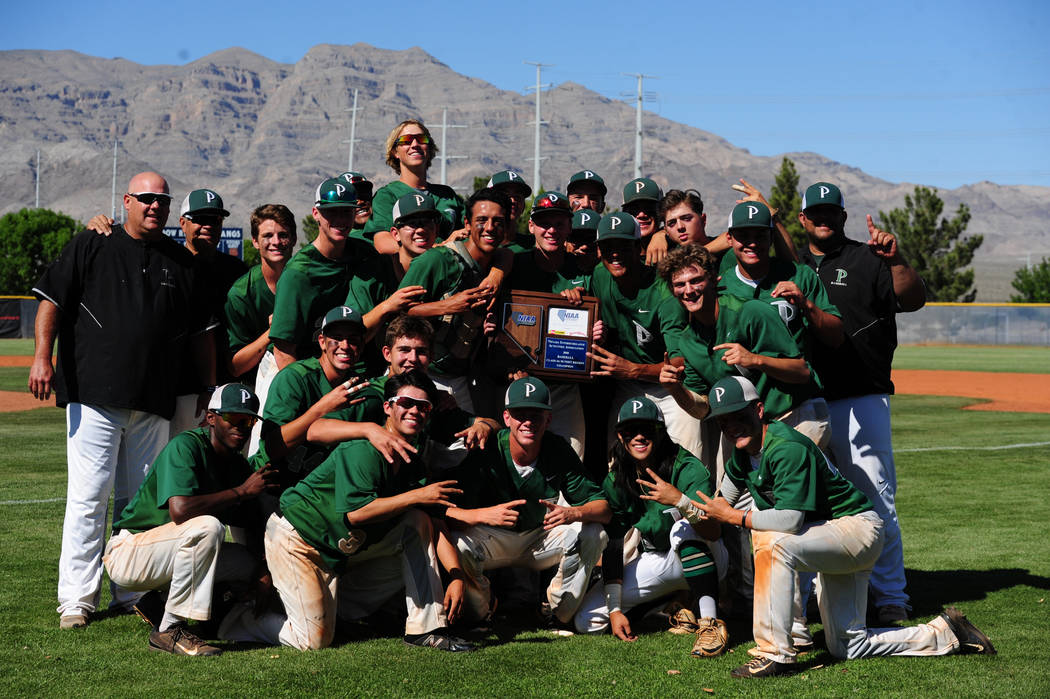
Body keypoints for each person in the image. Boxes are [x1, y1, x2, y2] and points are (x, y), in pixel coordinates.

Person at [693, 376, 995, 678]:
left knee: (772, 540)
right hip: (830, 535)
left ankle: (776, 652)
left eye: (739, 416)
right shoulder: (743, 456)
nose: (732, 426)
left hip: (856, 530)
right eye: (723, 421)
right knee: (848, 645)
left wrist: (735, 517)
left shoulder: (786, 447)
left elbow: (789, 520)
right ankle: (946, 633)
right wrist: (682, 502)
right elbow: (719, 505)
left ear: (759, 410)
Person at [29, 171, 213, 629]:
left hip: (154, 400)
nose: (155, 206)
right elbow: (51, 300)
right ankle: (76, 600)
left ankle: (131, 591)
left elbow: (201, 335)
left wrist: (208, 387)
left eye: (163, 200)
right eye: (146, 198)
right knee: (90, 498)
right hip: (95, 395)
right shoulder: (93, 243)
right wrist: (41, 357)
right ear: (127, 200)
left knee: (139, 506)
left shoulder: (180, 262)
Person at [262, 369, 475, 651]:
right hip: (298, 540)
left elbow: (433, 522)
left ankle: (427, 629)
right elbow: (357, 513)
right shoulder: (365, 448)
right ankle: (238, 621)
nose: (414, 411)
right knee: (311, 643)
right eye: (406, 403)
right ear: (388, 407)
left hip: (340, 551)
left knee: (417, 521)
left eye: (423, 406)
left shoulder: (412, 458)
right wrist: (416, 495)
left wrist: (457, 576)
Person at [796, 181, 926, 624]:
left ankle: (891, 595)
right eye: (815, 213)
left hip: (859, 396)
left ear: (843, 217)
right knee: (807, 503)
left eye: (831, 212)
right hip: (800, 399)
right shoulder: (790, 264)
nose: (823, 218)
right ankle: (819, 596)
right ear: (803, 219)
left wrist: (898, 260)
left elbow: (913, 298)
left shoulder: (867, 258)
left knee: (875, 496)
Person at [102, 384, 279, 656]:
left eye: (249, 420)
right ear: (211, 418)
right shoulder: (186, 446)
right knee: (208, 527)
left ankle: (162, 605)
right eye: (233, 418)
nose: (241, 427)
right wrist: (242, 492)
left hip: (168, 553)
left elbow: (253, 519)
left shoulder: (236, 464)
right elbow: (181, 511)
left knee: (247, 564)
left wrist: (262, 570)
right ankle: (169, 630)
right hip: (130, 552)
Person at [446, 377, 611, 626]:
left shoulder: (557, 448)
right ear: (507, 418)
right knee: (458, 543)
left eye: (536, 414)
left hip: (539, 537)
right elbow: (445, 512)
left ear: (549, 419)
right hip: (493, 537)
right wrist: (483, 514)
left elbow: (604, 509)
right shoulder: (487, 448)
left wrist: (573, 513)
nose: (528, 421)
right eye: (520, 414)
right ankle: (481, 609)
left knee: (594, 533)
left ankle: (558, 613)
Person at [574, 396, 728, 658]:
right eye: (630, 431)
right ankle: (669, 603)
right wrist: (615, 611)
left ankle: (710, 623)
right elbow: (613, 540)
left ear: (660, 432)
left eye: (647, 429)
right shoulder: (619, 476)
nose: (639, 437)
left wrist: (680, 501)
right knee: (587, 620)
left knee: (681, 528)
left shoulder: (686, 467)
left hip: (709, 555)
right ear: (620, 436)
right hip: (657, 557)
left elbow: (714, 532)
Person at [584, 213, 702, 461]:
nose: (615, 253)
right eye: (608, 247)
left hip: (671, 387)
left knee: (690, 457)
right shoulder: (600, 276)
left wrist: (633, 370)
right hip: (627, 384)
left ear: (639, 248)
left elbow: (679, 363)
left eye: (624, 246)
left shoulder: (662, 290)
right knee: (617, 462)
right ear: (599, 250)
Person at [398, 188, 508, 412]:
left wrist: (498, 273)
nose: (489, 228)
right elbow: (398, 312)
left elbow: (508, 254)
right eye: (481, 220)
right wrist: (448, 306)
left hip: (460, 378)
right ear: (466, 224)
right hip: (419, 373)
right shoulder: (437, 260)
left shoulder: (498, 262)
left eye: (498, 221)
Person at [257, 306, 385, 494]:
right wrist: (321, 408)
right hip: (270, 485)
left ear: (362, 346)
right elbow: (273, 447)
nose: (345, 345)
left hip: (314, 493)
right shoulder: (294, 377)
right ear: (322, 342)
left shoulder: (360, 387)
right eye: (337, 338)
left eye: (353, 340)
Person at [502, 192, 589, 457]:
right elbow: (499, 319)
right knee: (520, 457)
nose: (551, 230)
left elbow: (599, 326)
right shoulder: (514, 264)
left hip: (566, 384)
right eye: (544, 223)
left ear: (569, 227)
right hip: (521, 379)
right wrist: (511, 367)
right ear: (531, 227)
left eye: (559, 223)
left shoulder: (584, 270)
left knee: (572, 455)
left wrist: (593, 324)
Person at [268, 178, 375, 371]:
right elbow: (284, 349)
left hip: (345, 366)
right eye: (332, 212)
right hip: (301, 370)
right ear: (316, 214)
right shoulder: (298, 273)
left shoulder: (364, 252)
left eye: (346, 211)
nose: (340, 220)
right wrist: (306, 392)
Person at [168, 189, 249, 437]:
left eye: (215, 220)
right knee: (182, 458)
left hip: (229, 384)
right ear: (182, 223)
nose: (208, 226)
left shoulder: (236, 269)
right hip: (179, 385)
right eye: (200, 219)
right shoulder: (170, 264)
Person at [224, 204, 295, 455]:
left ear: (294, 239)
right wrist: (273, 331)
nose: (276, 242)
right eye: (267, 235)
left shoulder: (306, 279)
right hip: (256, 388)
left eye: (283, 235)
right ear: (254, 241)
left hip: (302, 376)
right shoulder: (242, 293)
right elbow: (235, 365)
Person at [367, 119, 465, 249]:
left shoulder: (447, 194)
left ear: (429, 149)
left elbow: (470, 230)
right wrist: (441, 249)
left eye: (421, 139)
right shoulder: (387, 196)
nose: (414, 144)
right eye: (406, 141)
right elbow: (383, 244)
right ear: (395, 152)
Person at [621, 177, 668, 264]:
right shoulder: (615, 256)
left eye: (649, 208)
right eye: (634, 209)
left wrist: (662, 234)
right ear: (625, 212)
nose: (642, 215)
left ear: (661, 212)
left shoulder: (675, 250)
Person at [486, 169, 532, 246]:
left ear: (523, 206)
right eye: (505, 195)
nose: (512, 201)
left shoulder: (534, 246)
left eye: (517, 196)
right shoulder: (470, 246)